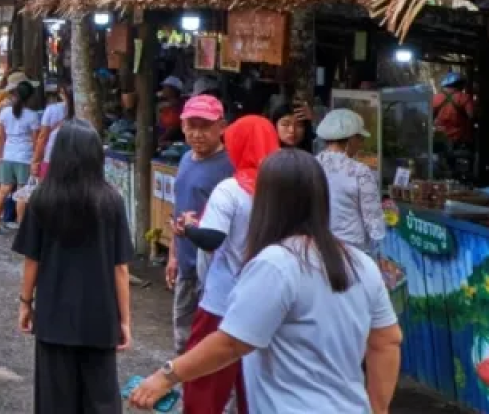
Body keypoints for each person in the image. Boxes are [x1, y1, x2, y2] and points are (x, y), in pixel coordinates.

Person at [132, 150, 403, 412]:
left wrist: (166, 375)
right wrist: (378, 408)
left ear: (266, 202)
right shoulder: (360, 263)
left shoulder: (276, 264)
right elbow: (387, 340)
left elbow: (231, 344)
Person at [16, 120, 134, 412]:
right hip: (100, 316)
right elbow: (120, 268)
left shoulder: (43, 198)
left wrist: (25, 303)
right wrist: (125, 320)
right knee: (102, 399)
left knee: (55, 400)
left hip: (54, 315)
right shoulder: (111, 200)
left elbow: (33, 260)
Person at [171, 114, 276, 413]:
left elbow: (212, 238)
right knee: (255, 376)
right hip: (269, 297)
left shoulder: (230, 188)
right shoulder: (282, 190)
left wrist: (187, 229)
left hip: (224, 297)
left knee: (205, 373)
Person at [166, 95, 233, 354]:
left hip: (215, 266)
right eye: (190, 126)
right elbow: (178, 210)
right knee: (183, 336)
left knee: (212, 340)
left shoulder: (229, 165)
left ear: (222, 126)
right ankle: (186, 390)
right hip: (186, 264)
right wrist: (173, 254)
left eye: (204, 126)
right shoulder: (184, 160)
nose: (196, 134)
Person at [314, 110, 386, 255]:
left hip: (319, 246)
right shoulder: (359, 171)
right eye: (360, 138)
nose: (361, 144)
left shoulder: (311, 165)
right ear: (351, 139)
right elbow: (373, 218)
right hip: (352, 249)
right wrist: (379, 250)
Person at [0, 78, 41, 234]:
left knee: (3, 190)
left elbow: (0, 137)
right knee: (22, 192)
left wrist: (3, 154)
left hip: (8, 156)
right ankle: (22, 227)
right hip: (25, 157)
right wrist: (36, 159)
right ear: (30, 97)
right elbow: (35, 140)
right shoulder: (32, 116)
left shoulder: (4, 113)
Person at [433, 72, 476, 148]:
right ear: (459, 85)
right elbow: (471, 116)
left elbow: (428, 117)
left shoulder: (435, 98)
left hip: (440, 138)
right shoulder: (465, 97)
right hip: (460, 139)